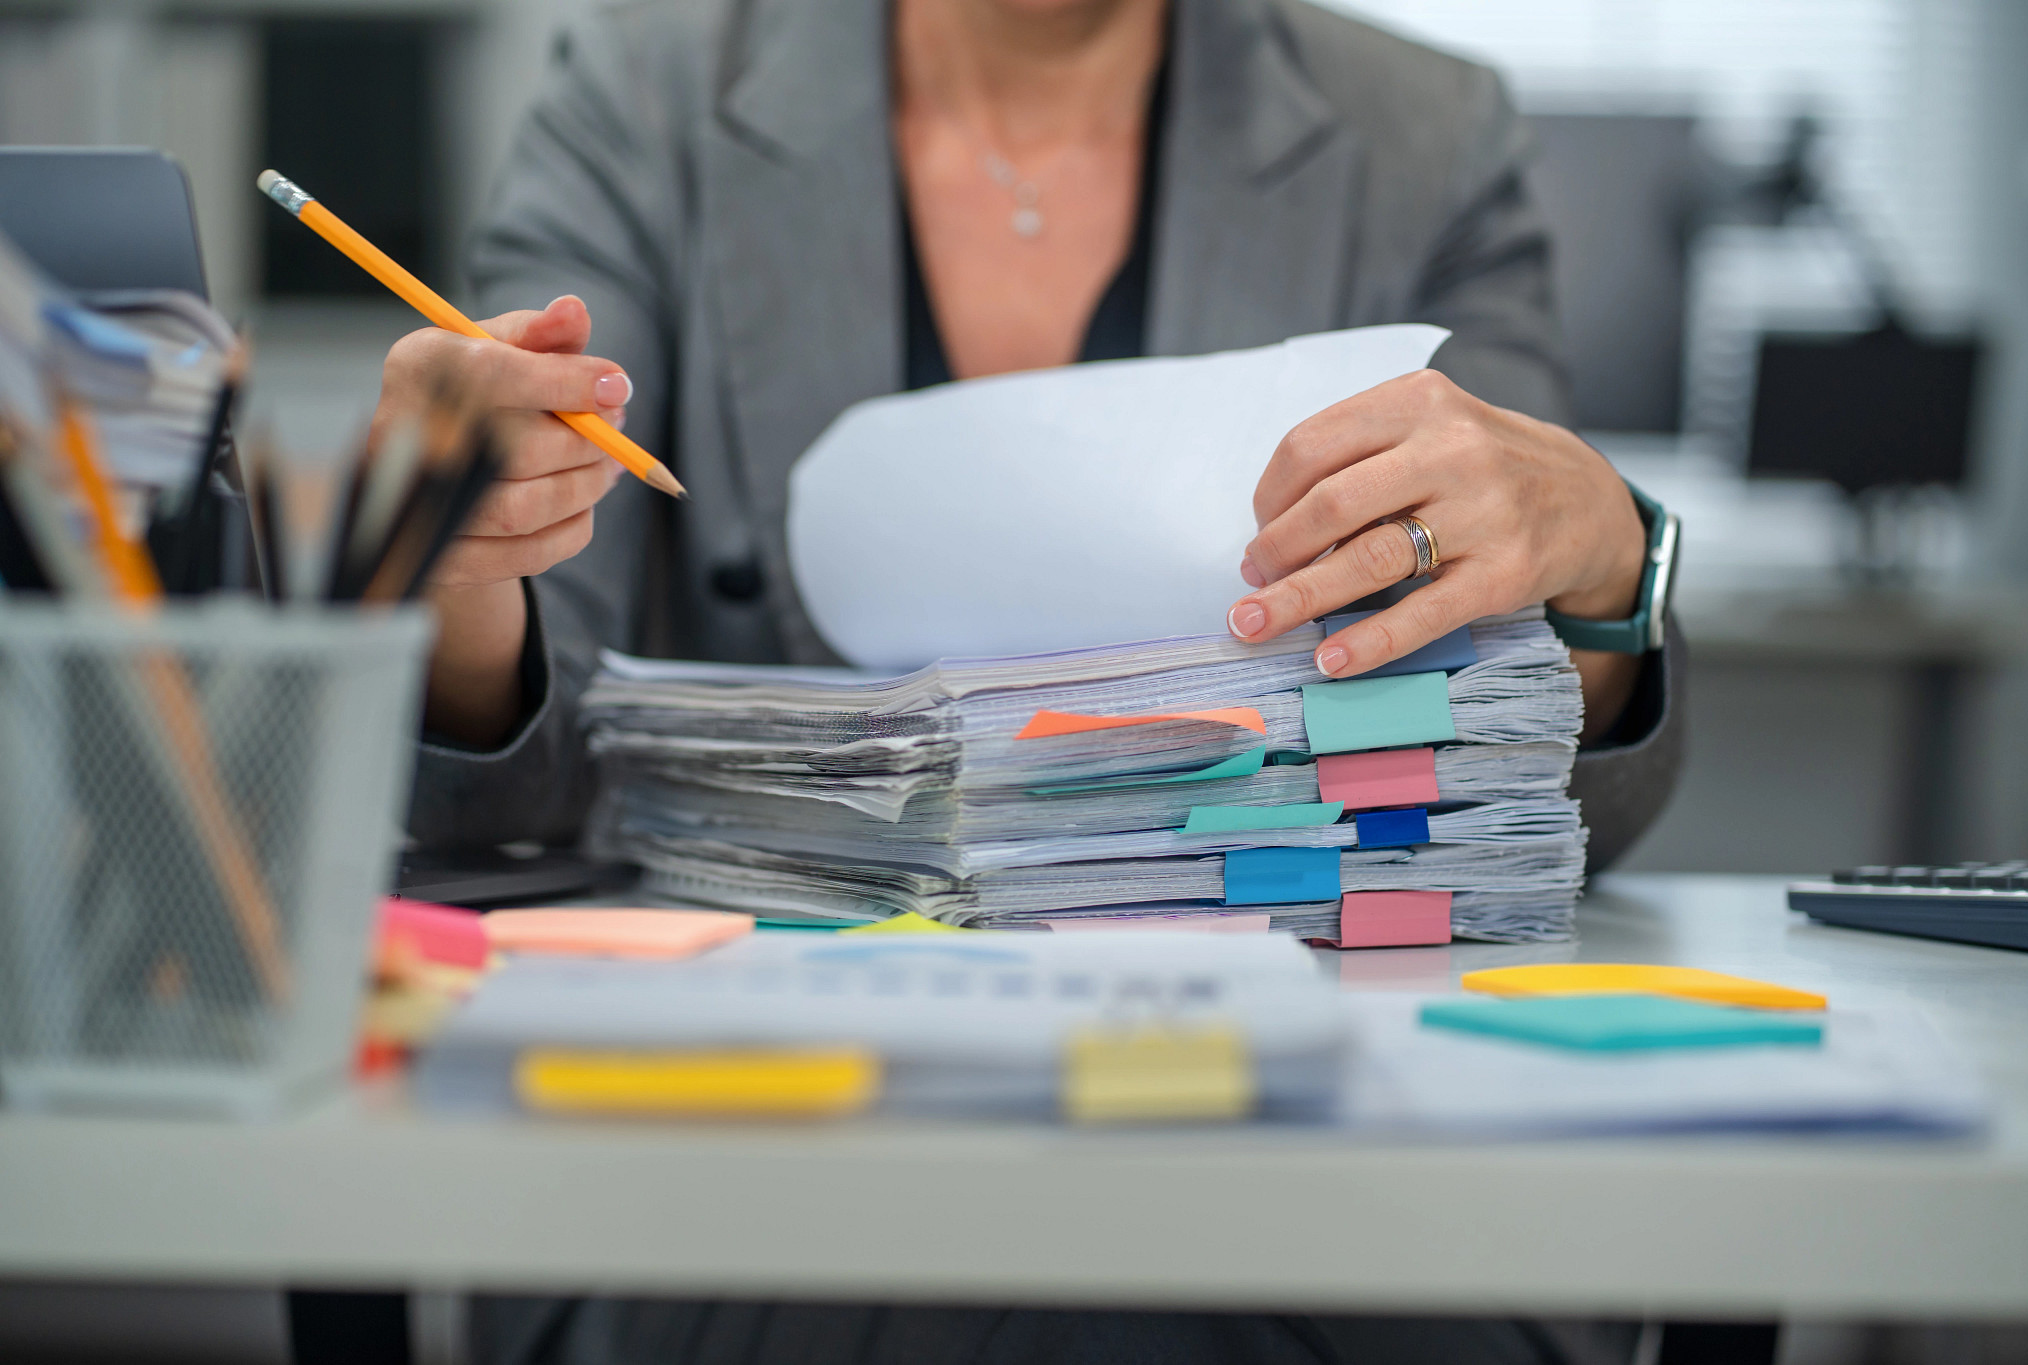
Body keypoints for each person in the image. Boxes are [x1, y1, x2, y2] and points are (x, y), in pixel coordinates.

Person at [394, 0, 1682, 1358]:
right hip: (776, 1139)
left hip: (1283, 1134)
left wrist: (1599, 570)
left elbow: (1513, 782)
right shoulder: (643, 100)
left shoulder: (1426, 137)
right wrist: (461, 557)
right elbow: (520, 776)